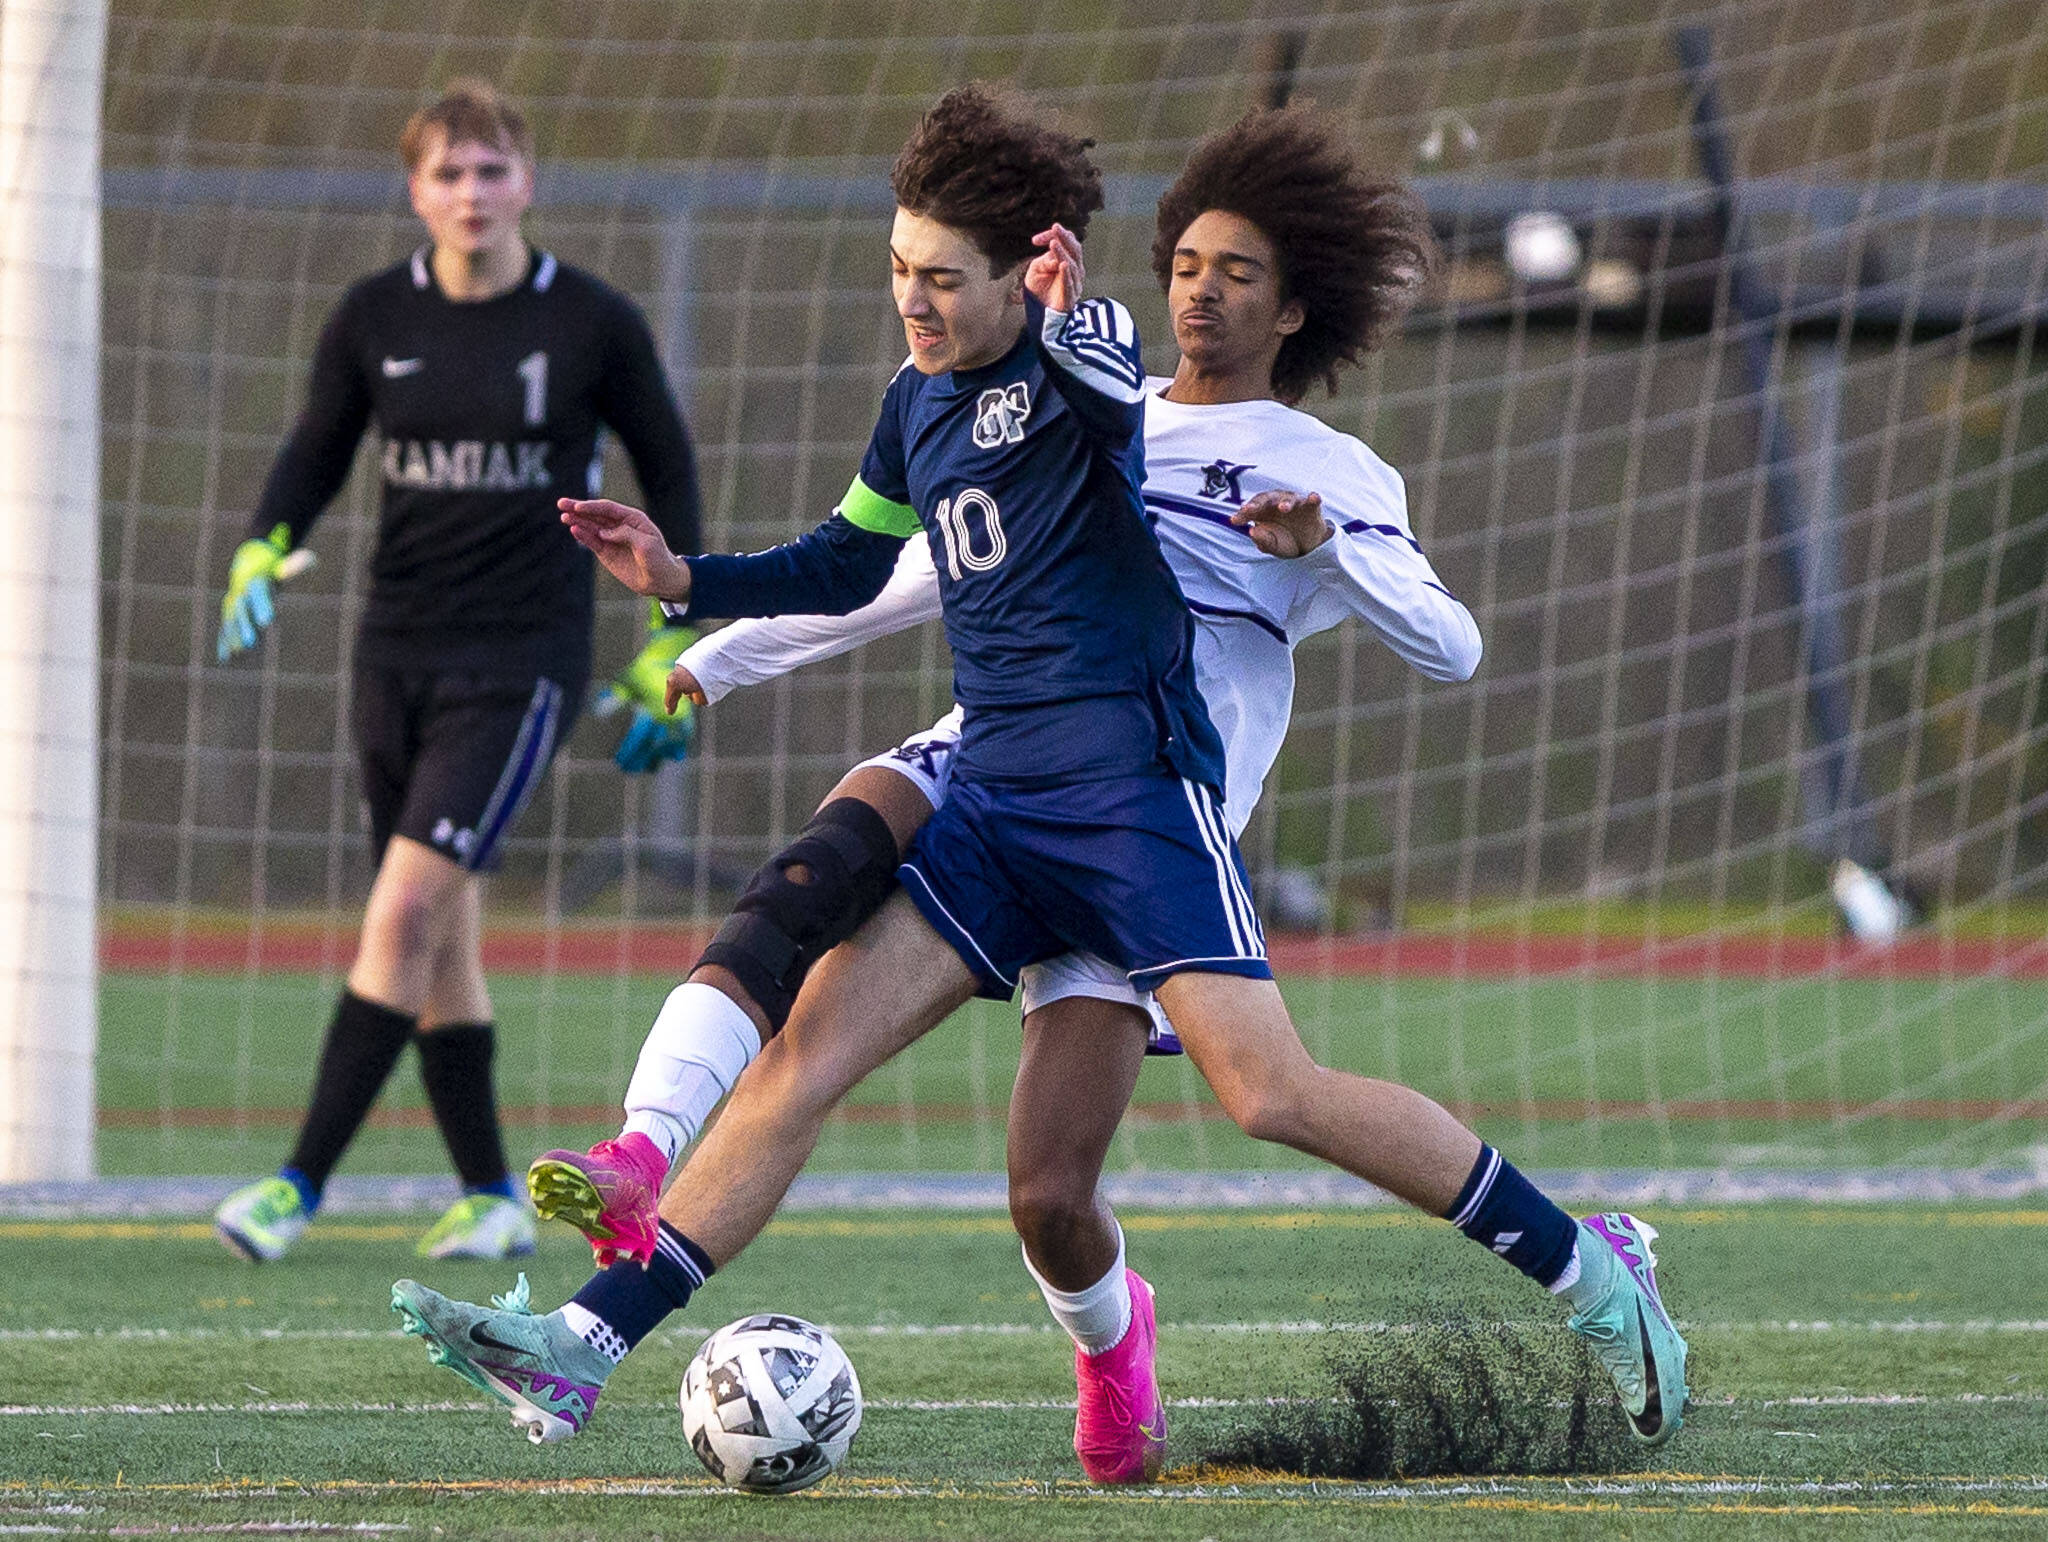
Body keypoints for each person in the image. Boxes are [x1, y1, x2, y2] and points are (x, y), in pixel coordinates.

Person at [392, 87, 1688, 1474]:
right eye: (1184, 260)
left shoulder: (1250, 437)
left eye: (1236, 273)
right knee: (808, 1054)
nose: (1200, 291)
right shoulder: (995, 398)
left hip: (1144, 804)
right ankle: (585, 1339)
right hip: (1000, 782)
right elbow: (879, 567)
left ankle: (1591, 1268)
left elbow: (1450, 639)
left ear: (1294, 307)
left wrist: (1329, 548)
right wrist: (705, 632)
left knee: (1226, 1113)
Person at [210, 79, 703, 1263]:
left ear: (525, 181)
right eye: (447, 172)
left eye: (490, 170)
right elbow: (315, 450)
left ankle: (294, 1186)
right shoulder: (373, 315)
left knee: (407, 906)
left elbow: (670, 470)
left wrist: (669, 639)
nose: (470, 193)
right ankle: (489, 1192)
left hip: (520, 661)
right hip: (393, 650)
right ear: (415, 188)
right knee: (443, 931)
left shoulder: (590, 321)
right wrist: (260, 545)